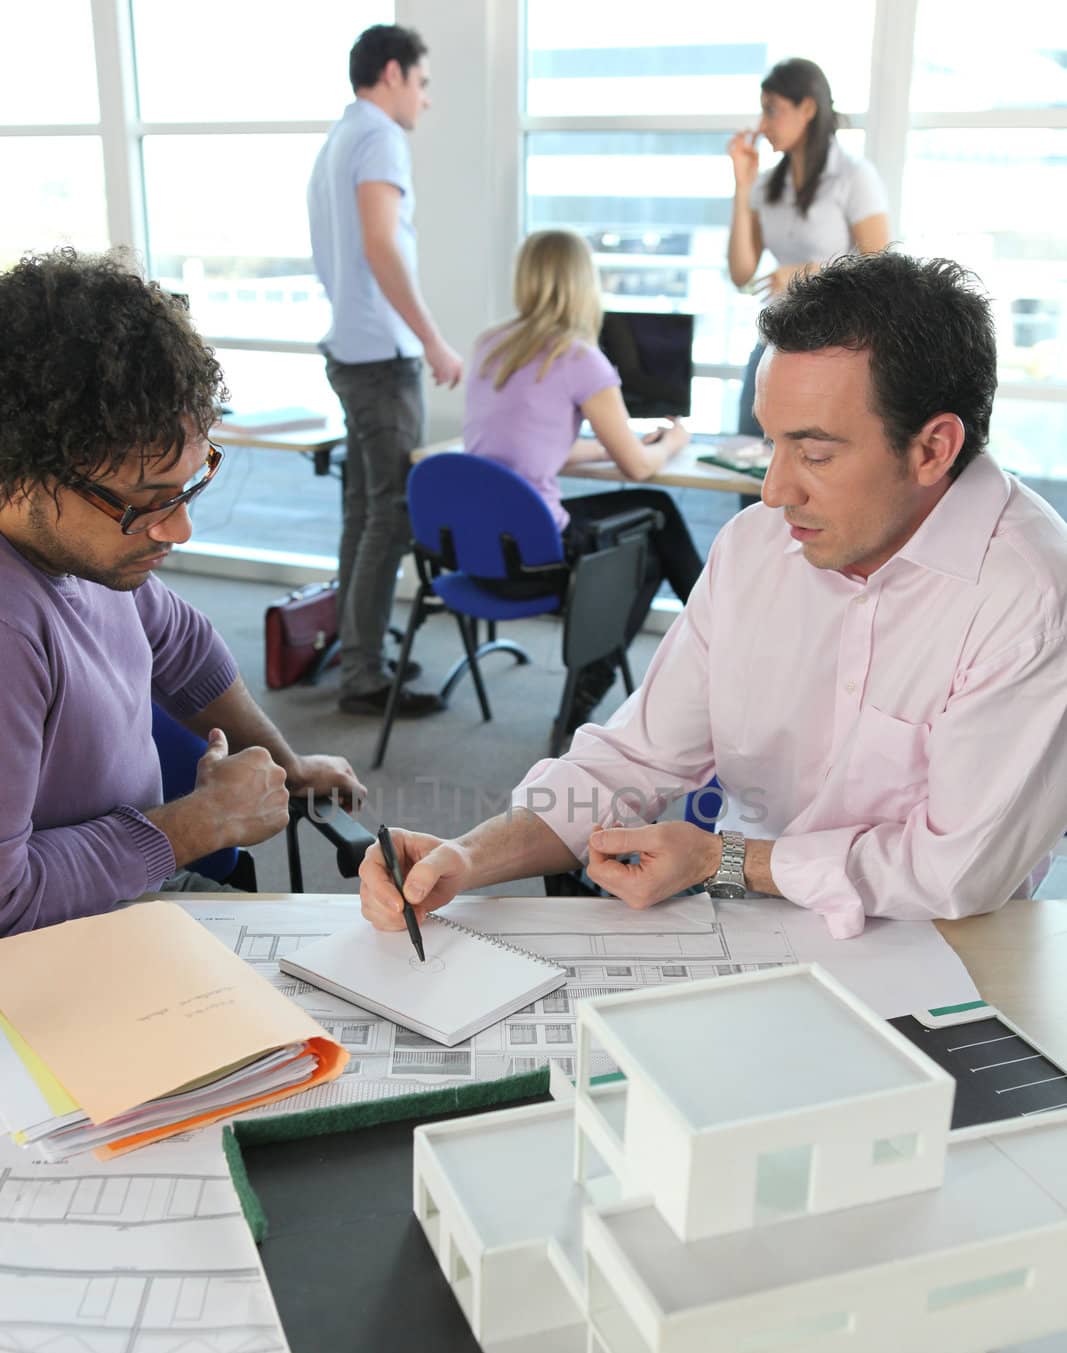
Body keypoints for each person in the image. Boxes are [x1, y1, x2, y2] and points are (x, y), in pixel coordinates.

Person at [360, 252, 1067, 941]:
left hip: (939, 947)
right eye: (771, 446)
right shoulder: (755, 547)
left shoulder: (1029, 596)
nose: (773, 491)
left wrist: (726, 860)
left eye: (814, 454)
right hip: (748, 916)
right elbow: (633, 758)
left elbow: (955, 872)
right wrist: (470, 856)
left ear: (932, 448)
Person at [0, 249, 366, 938]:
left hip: (130, 880)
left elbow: (182, 648)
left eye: (191, 485)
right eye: (148, 502)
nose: (181, 528)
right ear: (25, 470)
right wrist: (198, 825)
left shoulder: (97, 554)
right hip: (52, 942)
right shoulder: (9, 631)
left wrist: (287, 768)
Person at [464, 229, 705, 729]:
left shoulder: (490, 345)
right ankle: (713, 641)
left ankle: (599, 692)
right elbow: (639, 468)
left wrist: (608, 446)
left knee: (646, 540)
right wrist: (674, 442)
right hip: (537, 556)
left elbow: (529, 446)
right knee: (655, 519)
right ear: (583, 283)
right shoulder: (577, 358)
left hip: (476, 549)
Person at [308, 23, 462, 719]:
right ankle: (364, 676)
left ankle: (357, 654)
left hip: (351, 346)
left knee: (361, 510)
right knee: (391, 516)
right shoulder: (378, 136)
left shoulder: (340, 135)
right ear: (393, 73)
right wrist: (431, 340)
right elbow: (378, 244)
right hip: (380, 356)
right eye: (423, 84)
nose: (425, 102)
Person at [726, 57, 890, 446]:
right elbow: (741, 272)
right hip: (776, 337)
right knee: (749, 451)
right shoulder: (767, 187)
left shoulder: (854, 176)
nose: (762, 125)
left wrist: (809, 272)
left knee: (814, 459)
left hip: (835, 347)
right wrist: (743, 184)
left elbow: (882, 269)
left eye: (772, 110)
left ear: (808, 108)